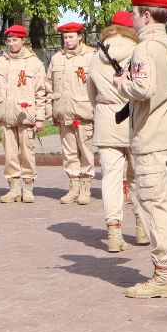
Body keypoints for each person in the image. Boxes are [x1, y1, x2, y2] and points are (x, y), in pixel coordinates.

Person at [118, 0, 167, 299]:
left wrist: (124, 83)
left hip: (152, 136)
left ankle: (164, 275)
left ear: (147, 15)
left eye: (135, 14)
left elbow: (143, 89)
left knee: (153, 204)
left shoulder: (144, 48)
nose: (133, 20)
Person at [89, 12, 145, 253]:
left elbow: (91, 91)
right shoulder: (140, 50)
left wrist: (102, 106)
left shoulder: (96, 56)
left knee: (111, 177)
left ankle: (113, 231)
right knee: (139, 175)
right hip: (134, 116)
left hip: (106, 117)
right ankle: (142, 228)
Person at [0, 25, 47, 204]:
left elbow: (41, 92)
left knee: (27, 153)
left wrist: (40, 117)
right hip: (6, 115)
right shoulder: (1, 62)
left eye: (15, 40)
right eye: (9, 40)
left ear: (23, 40)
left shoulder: (34, 63)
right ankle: (14, 188)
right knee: (10, 154)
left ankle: (28, 187)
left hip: (26, 115)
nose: (12, 43)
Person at [48, 21, 96, 205]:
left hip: (83, 112)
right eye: (65, 37)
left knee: (85, 152)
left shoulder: (91, 56)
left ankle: (85, 187)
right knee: (69, 153)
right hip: (63, 112)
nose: (67, 40)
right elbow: (48, 84)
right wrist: (51, 110)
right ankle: (73, 186)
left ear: (79, 37)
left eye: (71, 37)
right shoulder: (57, 58)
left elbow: (97, 85)